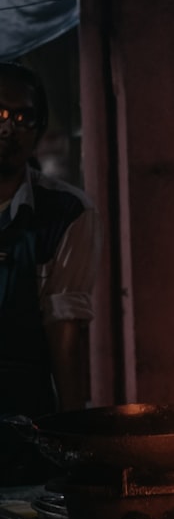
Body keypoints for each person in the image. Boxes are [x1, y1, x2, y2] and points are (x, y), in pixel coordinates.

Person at [0, 61, 100, 418]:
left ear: (38, 129)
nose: (9, 128)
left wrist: (73, 434)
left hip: (23, 421)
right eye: (0, 113)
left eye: (23, 118)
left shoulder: (66, 212)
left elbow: (64, 329)